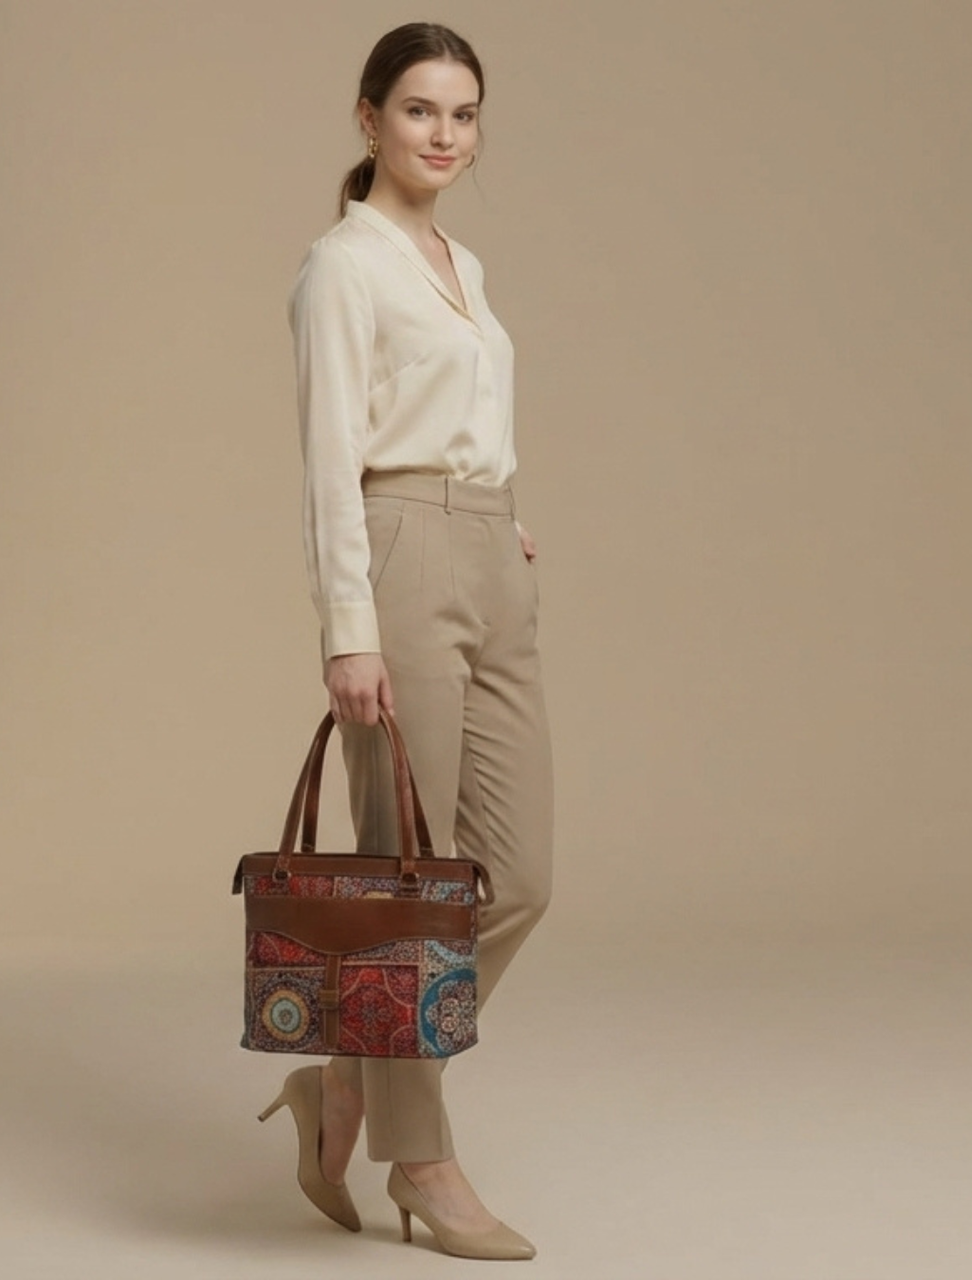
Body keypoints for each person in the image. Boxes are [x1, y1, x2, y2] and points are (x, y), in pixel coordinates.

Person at [257, 21, 554, 1262]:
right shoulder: (344, 265)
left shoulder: (461, 265)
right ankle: (420, 1159)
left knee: (516, 873)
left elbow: (458, 414)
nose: (444, 133)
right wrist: (349, 627)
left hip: (487, 553)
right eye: (421, 109)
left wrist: (502, 516)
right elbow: (336, 457)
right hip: (397, 553)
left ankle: (345, 1077)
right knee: (406, 880)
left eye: (465, 114)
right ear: (369, 116)